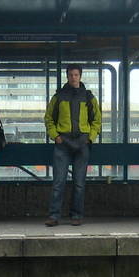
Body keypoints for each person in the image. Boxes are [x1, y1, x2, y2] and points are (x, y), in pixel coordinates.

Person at [43, 65, 102, 226]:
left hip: (82, 143)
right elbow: (48, 118)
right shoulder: (58, 97)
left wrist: (90, 138)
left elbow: (97, 120)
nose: (73, 77)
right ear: (67, 76)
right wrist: (56, 136)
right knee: (58, 182)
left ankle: (76, 216)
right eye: (71, 75)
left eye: (76, 74)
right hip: (63, 143)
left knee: (79, 183)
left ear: (80, 76)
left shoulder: (89, 97)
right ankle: (54, 216)